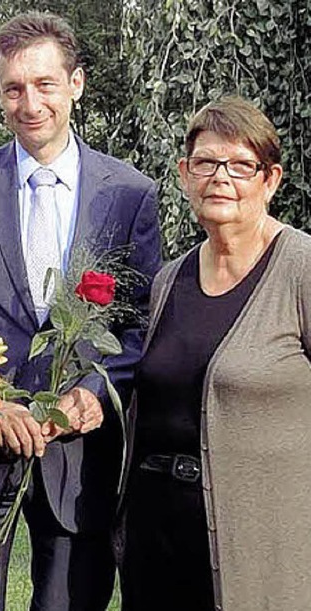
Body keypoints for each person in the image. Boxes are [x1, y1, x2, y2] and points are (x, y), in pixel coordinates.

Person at [0, 12, 162, 611]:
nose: (30, 103)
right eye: (13, 89)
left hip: (77, 464)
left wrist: (97, 394)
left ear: (75, 84)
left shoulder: (129, 194)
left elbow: (138, 324)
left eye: (45, 84)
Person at [119, 96, 311, 611]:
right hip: (156, 541)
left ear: (270, 180)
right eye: (205, 163)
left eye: (241, 165)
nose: (220, 177)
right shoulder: (169, 280)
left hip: (260, 546)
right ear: (185, 174)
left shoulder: (301, 268)